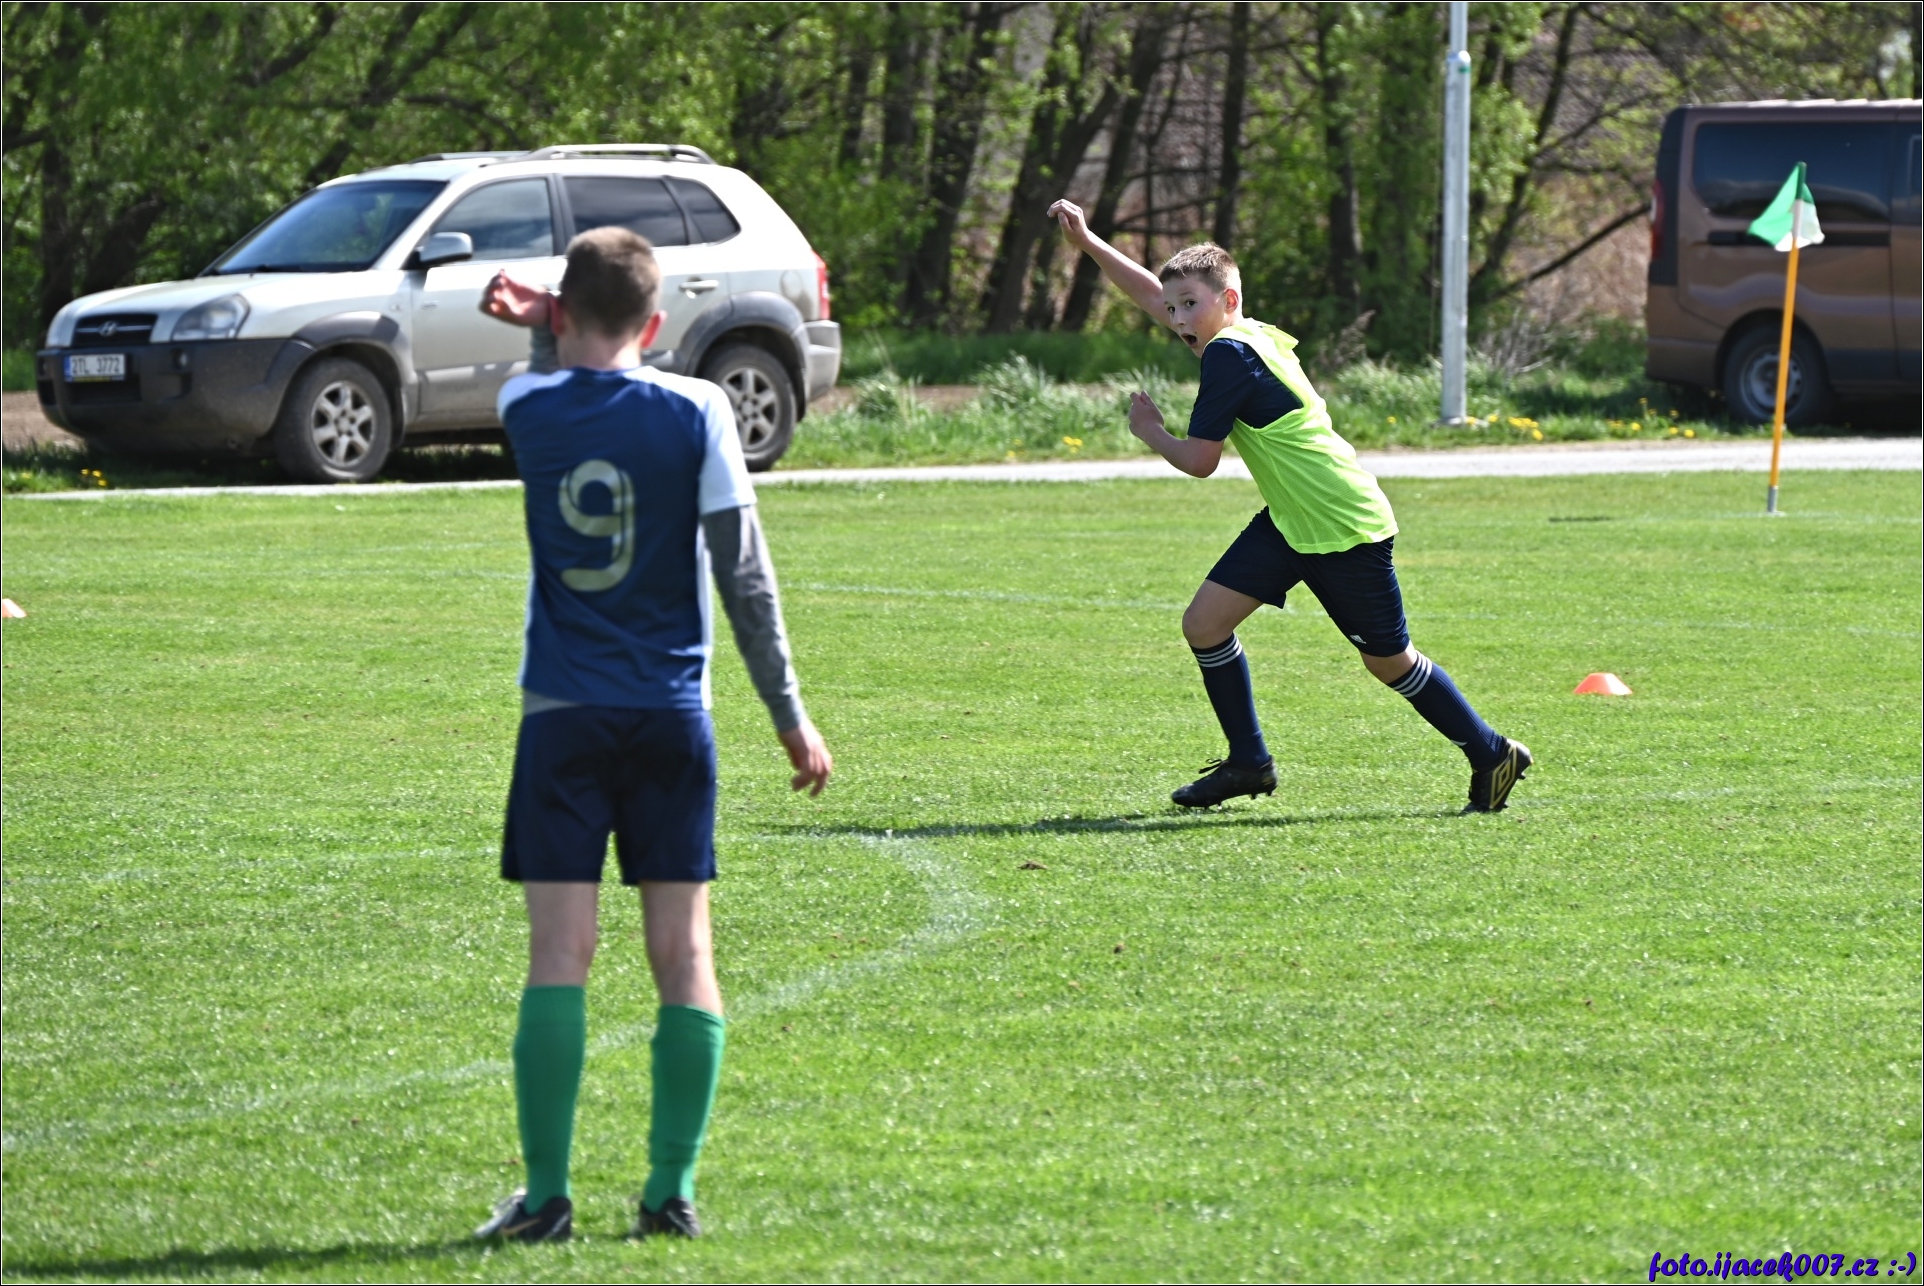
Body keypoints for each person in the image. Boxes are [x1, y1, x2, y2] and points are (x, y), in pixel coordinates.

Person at [470, 227, 833, 1243]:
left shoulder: (524, 403)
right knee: (685, 952)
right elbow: (745, 577)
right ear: (658, 320)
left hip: (562, 715)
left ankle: (546, 1199)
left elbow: (558, 377)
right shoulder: (701, 409)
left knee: (560, 953)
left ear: (561, 314)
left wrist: (543, 321)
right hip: (672, 715)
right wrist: (788, 713)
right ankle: (670, 1191)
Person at [1047, 199, 1529, 813]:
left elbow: (1200, 460)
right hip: (1293, 520)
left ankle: (1493, 753)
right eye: (1173, 309)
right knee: (1205, 625)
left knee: (1389, 662)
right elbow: (1153, 294)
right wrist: (1090, 243)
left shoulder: (1229, 354)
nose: (1176, 318)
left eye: (1189, 304)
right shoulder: (1245, 333)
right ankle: (1249, 763)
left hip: (1341, 523)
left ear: (1228, 300)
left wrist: (1151, 431)